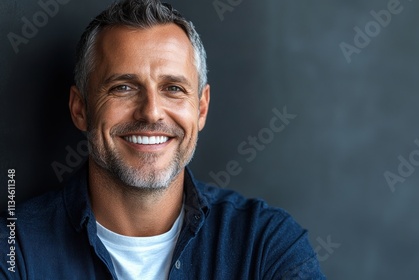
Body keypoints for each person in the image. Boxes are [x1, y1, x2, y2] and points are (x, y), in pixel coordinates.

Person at [1, 0, 326, 279]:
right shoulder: (15, 249)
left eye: (173, 88)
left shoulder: (266, 245)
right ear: (80, 108)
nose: (151, 112)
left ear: (200, 109)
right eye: (123, 88)